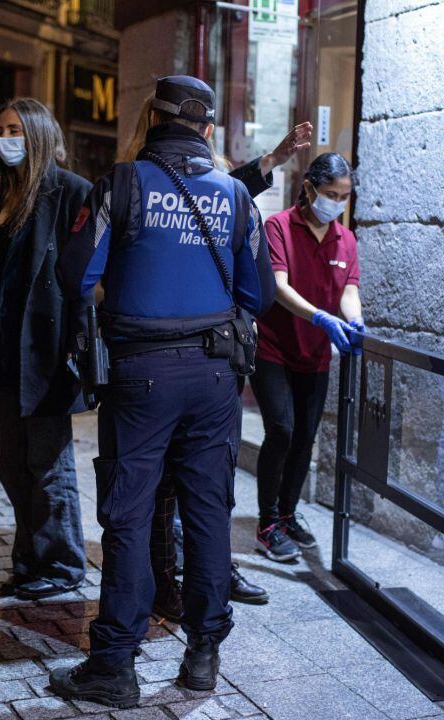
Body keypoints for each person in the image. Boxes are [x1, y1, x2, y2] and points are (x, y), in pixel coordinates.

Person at [51, 76, 276, 706]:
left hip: (141, 377)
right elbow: (257, 296)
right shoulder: (236, 196)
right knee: (208, 515)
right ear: (206, 130)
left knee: (128, 515)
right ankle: (202, 655)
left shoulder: (122, 185)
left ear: (153, 119)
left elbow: (74, 275)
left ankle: (115, 666)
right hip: (215, 382)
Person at [121, 93, 314, 619]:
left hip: (206, 354)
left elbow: (234, 195)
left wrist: (272, 159)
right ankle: (171, 587)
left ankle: (210, 579)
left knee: (207, 490)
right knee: (167, 493)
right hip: (185, 355)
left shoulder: (212, 183)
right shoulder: (140, 178)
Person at [0, 97, 90, 600]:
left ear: (38, 133)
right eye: (0, 128)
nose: (5, 138)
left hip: (46, 350)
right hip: (3, 349)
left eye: (15, 129)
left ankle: (61, 564)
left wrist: (77, 348)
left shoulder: (71, 192)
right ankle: (29, 555)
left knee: (48, 463)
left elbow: (83, 280)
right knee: (9, 461)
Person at [251, 152, 363, 563]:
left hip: (314, 354)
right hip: (274, 348)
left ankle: (286, 513)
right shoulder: (278, 227)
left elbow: (348, 289)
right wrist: (320, 316)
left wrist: (355, 320)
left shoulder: (345, 239)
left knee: (304, 439)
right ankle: (266, 525)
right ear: (311, 188)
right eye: (331, 193)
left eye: (345, 196)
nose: (337, 202)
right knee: (281, 428)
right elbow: (278, 286)